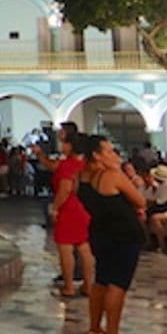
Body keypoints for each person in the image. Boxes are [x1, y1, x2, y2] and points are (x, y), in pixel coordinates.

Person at [79, 135, 146, 334]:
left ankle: (95, 327)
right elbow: (140, 200)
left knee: (101, 281)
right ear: (96, 155)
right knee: (118, 284)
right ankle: (112, 333)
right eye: (108, 151)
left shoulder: (82, 178)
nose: (114, 155)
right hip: (123, 235)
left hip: (100, 233)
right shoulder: (112, 176)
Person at [37, 125, 94, 299]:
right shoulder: (84, 164)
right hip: (84, 207)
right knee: (84, 247)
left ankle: (69, 286)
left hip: (69, 209)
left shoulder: (67, 165)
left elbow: (65, 189)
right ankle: (88, 285)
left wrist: (55, 207)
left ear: (70, 145)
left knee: (65, 247)